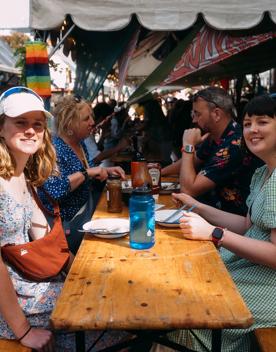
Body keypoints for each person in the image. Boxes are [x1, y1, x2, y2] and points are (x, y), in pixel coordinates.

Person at [170, 95, 276, 351]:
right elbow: (247, 225)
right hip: (247, 269)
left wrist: (215, 234)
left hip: (267, 286)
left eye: (262, 122)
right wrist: (197, 206)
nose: (252, 130)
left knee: (189, 311)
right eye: (248, 123)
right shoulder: (263, 172)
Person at [0, 86, 64, 351]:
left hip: (30, 283)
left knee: (99, 293)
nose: (30, 130)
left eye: (37, 124)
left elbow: (42, 235)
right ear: (1, 127)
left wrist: (77, 270)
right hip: (12, 306)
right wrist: (24, 331)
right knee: (103, 309)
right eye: (20, 122)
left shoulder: (22, 174)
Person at [38, 95, 125, 254]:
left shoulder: (80, 143)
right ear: (70, 123)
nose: (92, 122)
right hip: (68, 228)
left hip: (86, 219)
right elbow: (54, 190)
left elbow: (89, 170)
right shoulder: (54, 149)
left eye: (91, 116)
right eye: (86, 118)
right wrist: (87, 173)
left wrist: (106, 171)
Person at [162, 87, 261, 215]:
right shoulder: (214, 136)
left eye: (198, 114)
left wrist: (188, 146)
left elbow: (188, 189)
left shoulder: (234, 144)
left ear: (216, 114)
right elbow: (194, 160)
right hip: (209, 210)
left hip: (230, 222)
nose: (194, 120)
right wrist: (161, 172)